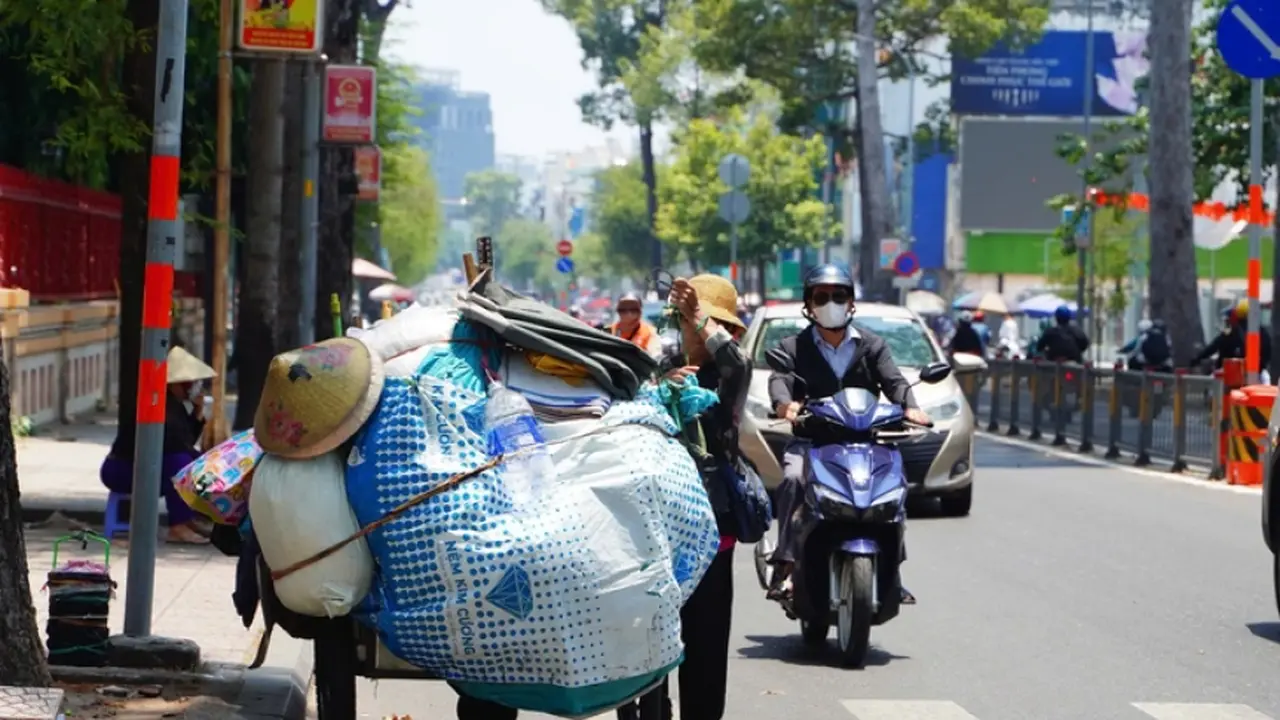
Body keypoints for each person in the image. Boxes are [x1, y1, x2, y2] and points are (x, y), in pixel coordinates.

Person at [616, 274, 751, 720]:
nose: (695, 330)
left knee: (706, 648)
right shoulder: (663, 368)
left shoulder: (727, 377)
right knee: (653, 643)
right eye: (689, 321)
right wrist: (660, 385)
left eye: (708, 324)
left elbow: (738, 364)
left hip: (713, 531)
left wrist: (699, 314)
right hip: (658, 531)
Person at [765, 263, 931, 604]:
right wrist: (786, 405)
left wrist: (911, 407)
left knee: (894, 485)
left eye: (838, 295)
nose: (830, 303)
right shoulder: (792, 347)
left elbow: (895, 382)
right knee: (794, 480)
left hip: (865, 443)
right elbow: (778, 380)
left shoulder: (873, 346)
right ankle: (784, 564)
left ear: (851, 302)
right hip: (812, 442)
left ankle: (892, 572)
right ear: (808, 305)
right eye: (821, 296)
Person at [98, 346, 215, 545]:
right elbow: (176, 448)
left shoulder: (174, 405)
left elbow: (185, 441)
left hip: (146, 466)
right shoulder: (157, 403)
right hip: (122, 470)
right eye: (190, 382)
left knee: (191, 462)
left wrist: (197, 413)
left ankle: (187, 519)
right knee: (182, 465)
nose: (195, 386)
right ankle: (178, 525)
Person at [1194, 299, 1272, 371]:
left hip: (1230, 375)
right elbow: (1267, 355)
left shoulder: (1232, 332)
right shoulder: (1263, 333)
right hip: (1256, 374)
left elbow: (1213, 347)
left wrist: (1197, 359)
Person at [608, 293, 662, 358]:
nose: (629, 314)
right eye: (623, 310)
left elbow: (655, 355)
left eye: (633, 310)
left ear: (640, 312)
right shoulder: (608, 332)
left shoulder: (650, 332)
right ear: (618, 311)